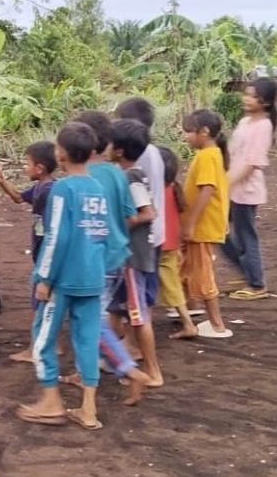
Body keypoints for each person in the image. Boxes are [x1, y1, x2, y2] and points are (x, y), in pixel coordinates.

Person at [16, 122, 108, 431]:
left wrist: (44, 278)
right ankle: (89, 410)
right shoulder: (98, 189)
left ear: (61, 154)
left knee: (43, 340)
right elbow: (103, 234)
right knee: (88, 340)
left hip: (63, 280)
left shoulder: (62, 190)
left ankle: (51, 402)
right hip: (93, 277)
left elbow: (57, 237)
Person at [76, 111, 153, 405]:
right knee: (89, 317)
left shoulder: (81, 178)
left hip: (91, 259)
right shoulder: (116, 174)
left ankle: (128, 369)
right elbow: (129, 215)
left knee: (90, 320)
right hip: (117, 256)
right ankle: (87, 373)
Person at [108, 119, 164, 387]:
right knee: (124, 312)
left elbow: (148, 212)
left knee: (138, 317)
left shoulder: (130, 176)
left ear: (119, 151)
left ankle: (153, 372)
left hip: (133, 257)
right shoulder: (129, 174)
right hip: (131, 255)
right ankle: (120, 361)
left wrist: (118, 225)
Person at [0, 141, 57, 363]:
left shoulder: (49, 191)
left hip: (46, 255)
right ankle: (54, 345)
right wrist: (1, 181)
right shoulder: (42, 187)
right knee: (50, 301)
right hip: (44, 252)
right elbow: (18, 197)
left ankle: (35, 349)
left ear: (39, 168)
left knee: (39, 300)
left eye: (27, 163)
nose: (24, 167)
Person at [221, 78, 277, 300]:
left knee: (246, 236)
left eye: (253, 96)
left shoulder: (263, 126)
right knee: (219, 231)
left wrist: (225, 183)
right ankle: (246, 271)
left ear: (265, 102)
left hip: (246, 191)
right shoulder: (245, 122)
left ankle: (256, 284)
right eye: (246, 94)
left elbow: (252, 162)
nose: (246, 99)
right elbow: (234, 153)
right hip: (232, 186)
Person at [181, 110, 233, 338]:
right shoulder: (211, 154)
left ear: (204, 132)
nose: (185, 137)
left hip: (202, 228)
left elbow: (207, 189)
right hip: (202, 226)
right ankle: (189, 307)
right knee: (187, 267)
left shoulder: (207, 156)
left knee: (202, 275)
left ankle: (217, 324)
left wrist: (190, 223)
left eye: (188, 132)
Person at [157, 146, 200, 339]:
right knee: (171, 283)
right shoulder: (174, 188)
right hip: (170, 243)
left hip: (157, 244)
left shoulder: (155, 190)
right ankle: (187, 322)